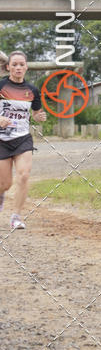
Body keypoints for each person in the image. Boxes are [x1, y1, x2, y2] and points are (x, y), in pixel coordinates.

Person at [0, 51, 47, 229]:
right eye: (14, 65)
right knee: (4, 184)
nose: (18, 68)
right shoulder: (1, 86)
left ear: (26, 67)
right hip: (2, 140)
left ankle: (16, 217)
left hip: (22, 139)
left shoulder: (32, 90)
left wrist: (38, 117)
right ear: (8, 67)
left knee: (24, 175)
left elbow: (35, 113)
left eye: (21, 64)